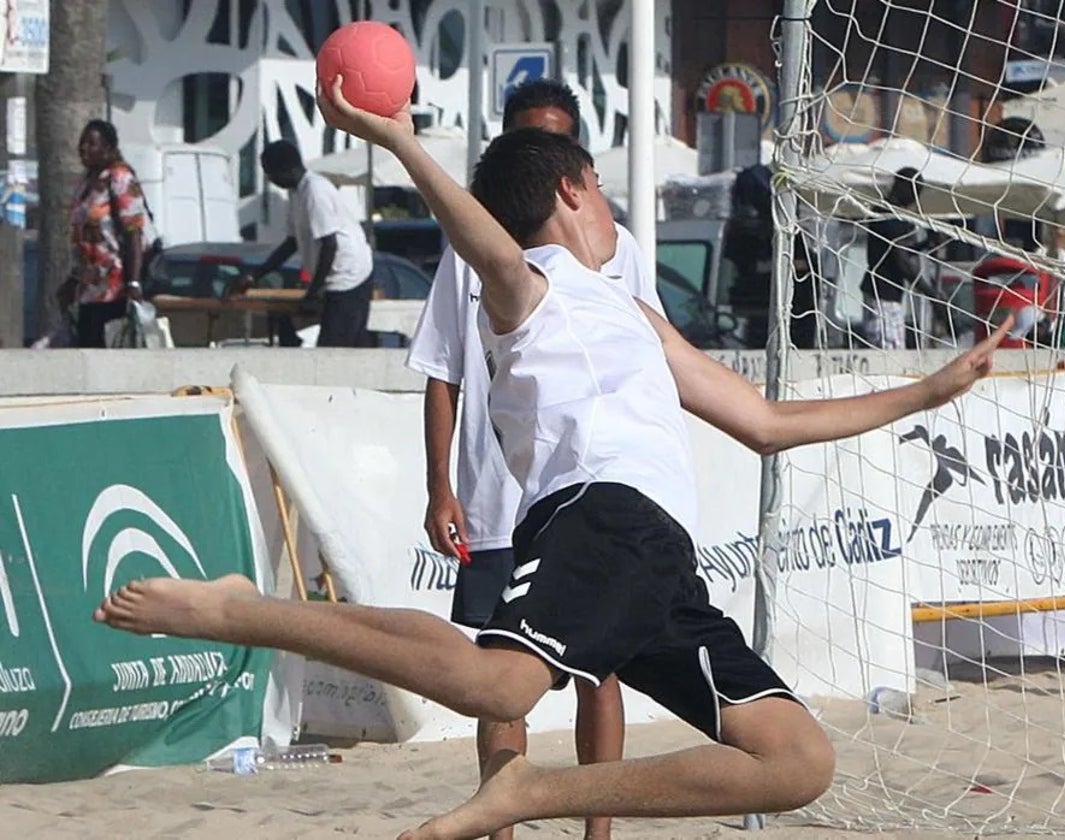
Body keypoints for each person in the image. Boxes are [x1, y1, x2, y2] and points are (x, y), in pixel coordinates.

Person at [95, 80, 1010, 840]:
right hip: (596, 512)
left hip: (662, 560)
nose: (614, 209)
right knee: (498, 682)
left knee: (796, 760)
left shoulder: (635, 314)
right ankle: (244, 611)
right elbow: (483, 240)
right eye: (605, 191)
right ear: (573, 188)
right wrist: (403, 145)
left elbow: (764, 422)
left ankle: (533, 792)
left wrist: (926, 392)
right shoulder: (529, 288)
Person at [405, 79, 653, 840]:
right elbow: (443, 369)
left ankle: (598, 831)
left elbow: (656, 364)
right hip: (495, 500)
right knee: (500, 687)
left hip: (590, 496)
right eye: (529, 142)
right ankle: (500, 826)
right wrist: (439, 486)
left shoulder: (617, 250)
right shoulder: (472, 251)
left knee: (599, 672)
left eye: (559, 145)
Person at [243, 140, 374, 347]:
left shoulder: (315, 191)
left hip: (348, 276)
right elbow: (291, 243)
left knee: (332, 350)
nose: (270, 179)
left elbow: (330, 245)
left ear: (286, 169)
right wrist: (255, 275)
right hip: (334, 279)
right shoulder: (296, 194)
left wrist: (313, 292)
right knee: (344, 345)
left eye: (271, 173)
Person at [69, 120, 157, 348]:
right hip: (89, 286)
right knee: (86, 347)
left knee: (109, 349)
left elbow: (133, 231)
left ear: (108, 148)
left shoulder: (119, 178)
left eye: (92, 143)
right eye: (82, 143)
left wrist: (134, 282)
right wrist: (73, 279)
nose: (84, 149)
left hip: (115, 285)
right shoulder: (86, 183)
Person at [860, 167, 925, 350]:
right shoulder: (886, 212)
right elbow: (901, 260)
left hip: (891, 293)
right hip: (881, 293)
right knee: (888, 350)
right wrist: (933, 295)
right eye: (916, 190)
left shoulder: (897, 215)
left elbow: (896, 252)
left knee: (895, 348)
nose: (916, 197)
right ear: (903, 186)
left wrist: (925, 244)